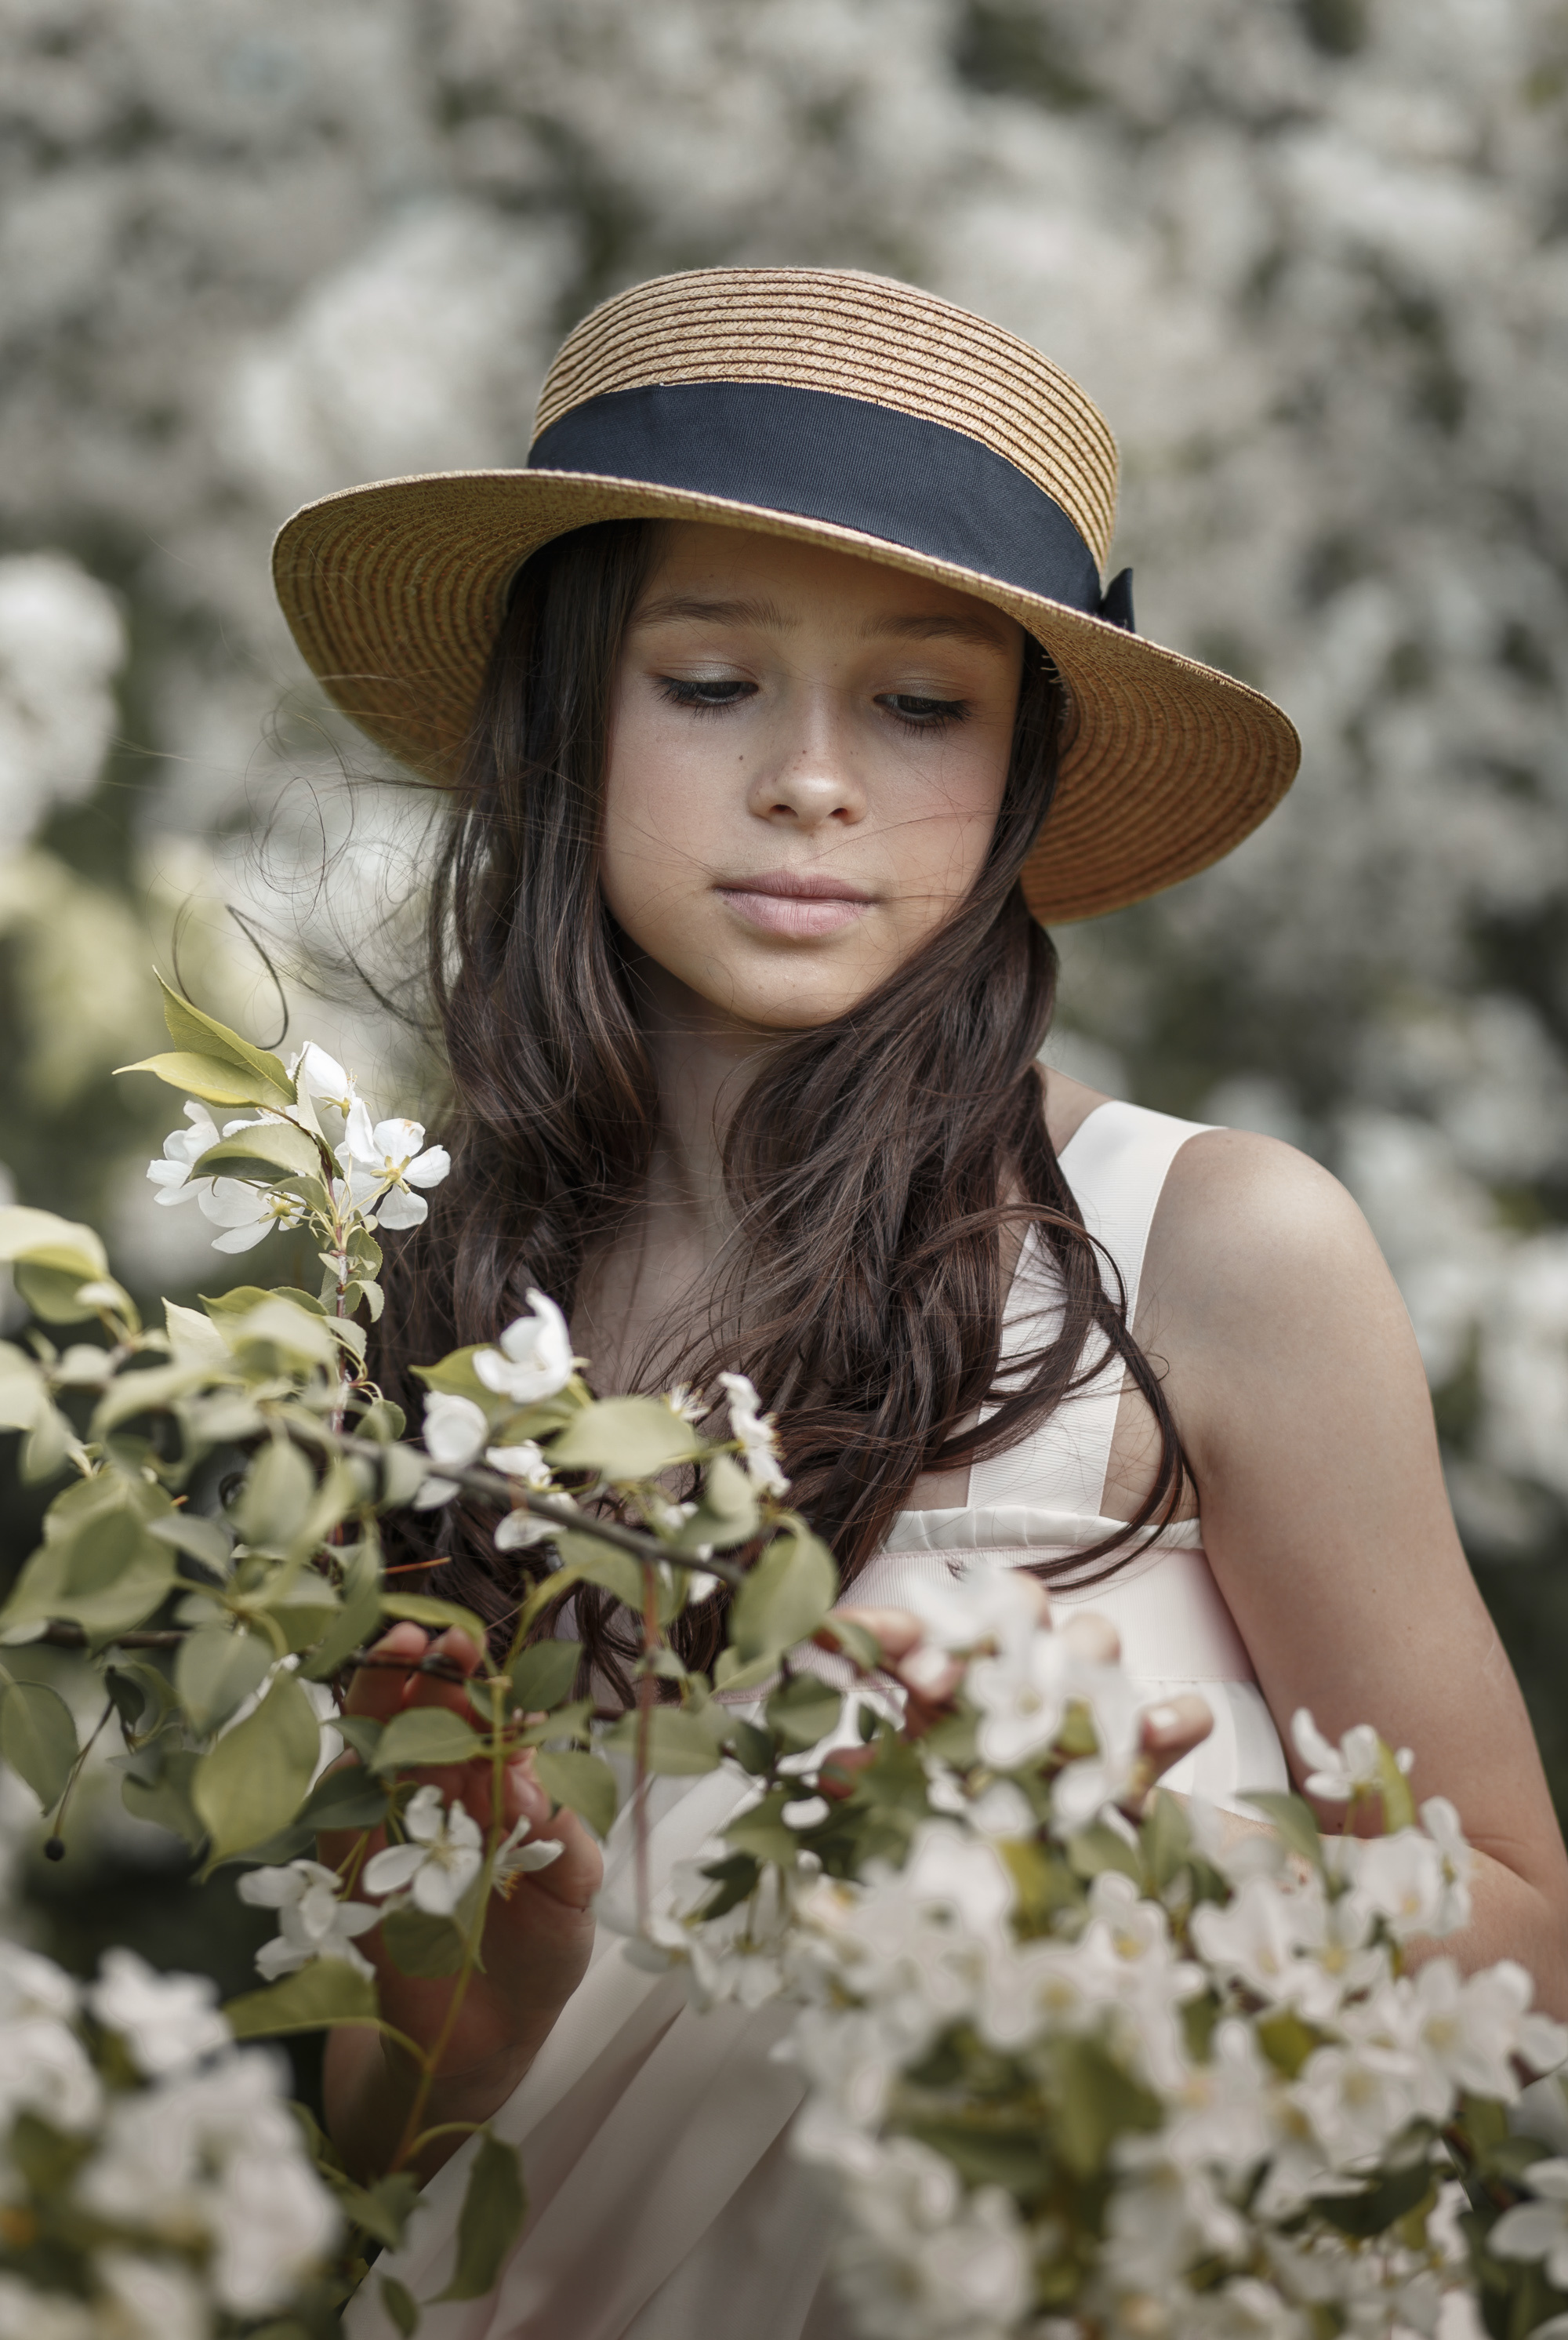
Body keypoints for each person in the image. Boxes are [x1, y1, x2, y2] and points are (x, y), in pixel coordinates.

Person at [273, 267, 1568, 2338]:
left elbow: (1525, 1942)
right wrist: (487, 1961)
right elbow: (392, 2126)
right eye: (708, 686)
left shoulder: (1208, 1249)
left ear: (1023, 763)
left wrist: (1147, 1882)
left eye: (919, 703)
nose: (810, 782)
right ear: (564, 713)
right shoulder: (433, 1304)